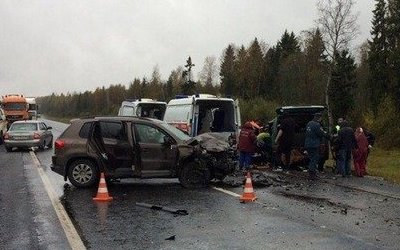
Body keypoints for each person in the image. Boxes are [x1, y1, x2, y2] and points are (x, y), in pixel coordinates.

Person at [304, 113, 327, 180]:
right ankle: (312, 174)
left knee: (311, 158)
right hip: (314, 144)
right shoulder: (317, 125)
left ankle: (312, 173)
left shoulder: (309, 123)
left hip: (308, 144)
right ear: (319, 118)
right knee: (314, 159)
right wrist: (327, 135)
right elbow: (321, 133)